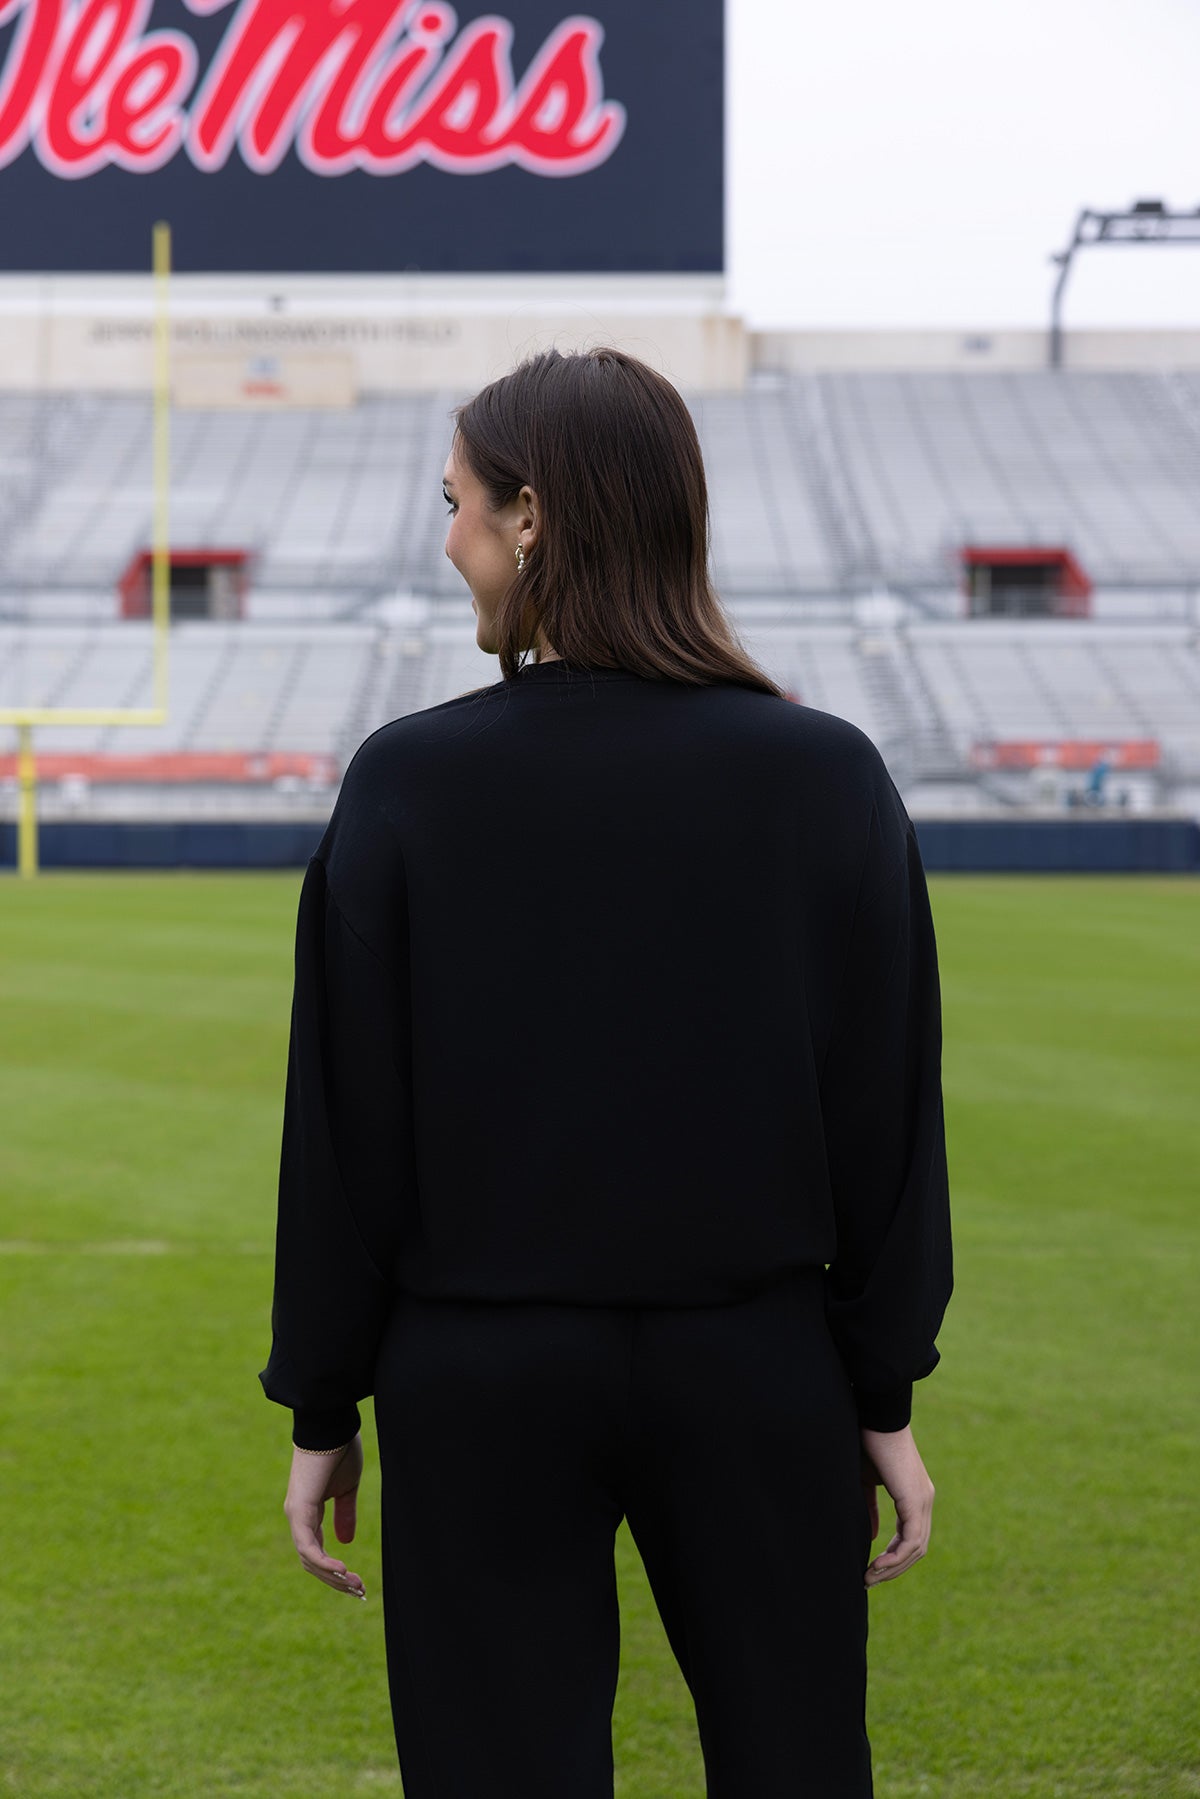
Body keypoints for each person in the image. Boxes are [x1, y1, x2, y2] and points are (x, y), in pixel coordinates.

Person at [260, 345, 953, 1798]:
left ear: (531, 518)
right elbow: (886, 1113)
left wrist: (327, 1404)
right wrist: (877, 1389)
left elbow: (345, 1132)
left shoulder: (408, 780)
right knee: (796, 1770)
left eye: (453, 502)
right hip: (757, 1369)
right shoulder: (823, 774)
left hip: (477, 1378)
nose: (445, 537)